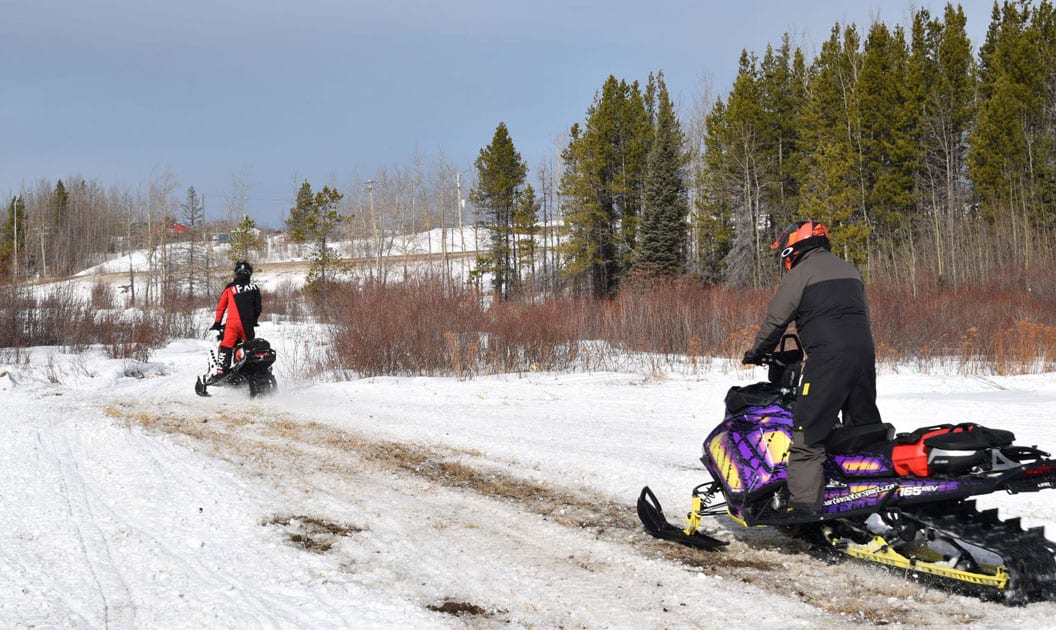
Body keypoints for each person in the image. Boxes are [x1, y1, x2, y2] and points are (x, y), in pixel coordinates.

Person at [742, 219, 882, 518]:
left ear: (793, 249)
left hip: (828, 360)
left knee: (808, 434)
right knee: (863, 429)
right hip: (864, 356)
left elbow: (776, 320)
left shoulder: (802, 273)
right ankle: (866, 498)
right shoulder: (850, 270)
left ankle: (804, 511)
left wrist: (757, 352)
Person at [209, 261, 262, 379]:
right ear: (249, 273)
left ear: (236, 273)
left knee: (226, 346)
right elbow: (258, 307)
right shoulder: (254, 287)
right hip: (247, 324)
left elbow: (221, 307)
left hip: (232, 323)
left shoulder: (229, 288)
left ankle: (221, 371)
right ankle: (252, 372)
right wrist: (254, 321)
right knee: (249, 347)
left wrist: (217, 323)